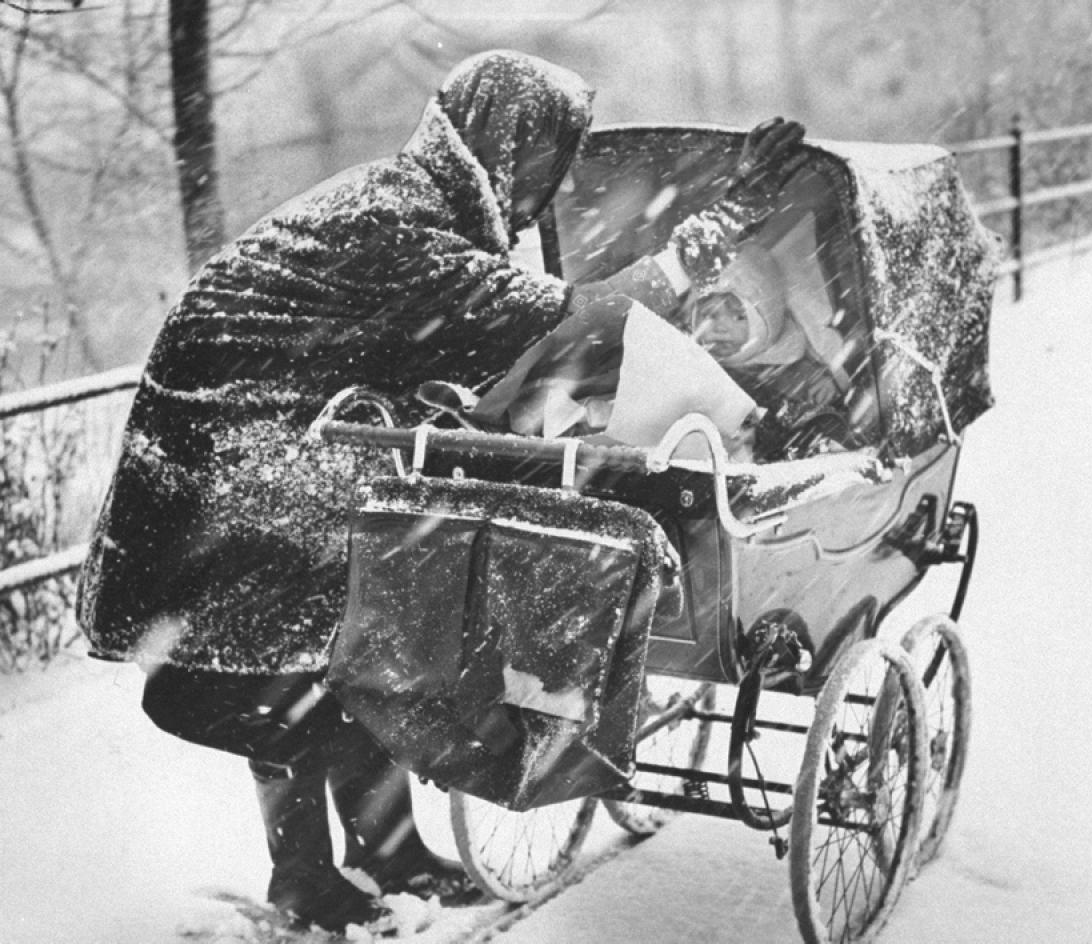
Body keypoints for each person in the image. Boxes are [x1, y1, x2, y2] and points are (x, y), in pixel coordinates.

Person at [77, 48, 806, 932]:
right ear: (504, 142)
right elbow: (570, 320)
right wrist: (709, 234)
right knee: (300, 662)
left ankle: (379, 861)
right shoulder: (403, 223)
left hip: (239, 460)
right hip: (245, 469)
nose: (546, 188)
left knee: (316, 654)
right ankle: (333, 872)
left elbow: (448, 342)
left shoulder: (403, 197)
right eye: (544, 163)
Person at [689, 245, 857, 460]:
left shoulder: (794, 370)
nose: (721, 328)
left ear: (766, 318)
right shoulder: (692, 364)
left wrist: (827, 391)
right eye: (708, 315)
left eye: (739, 316)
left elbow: (819, 427)